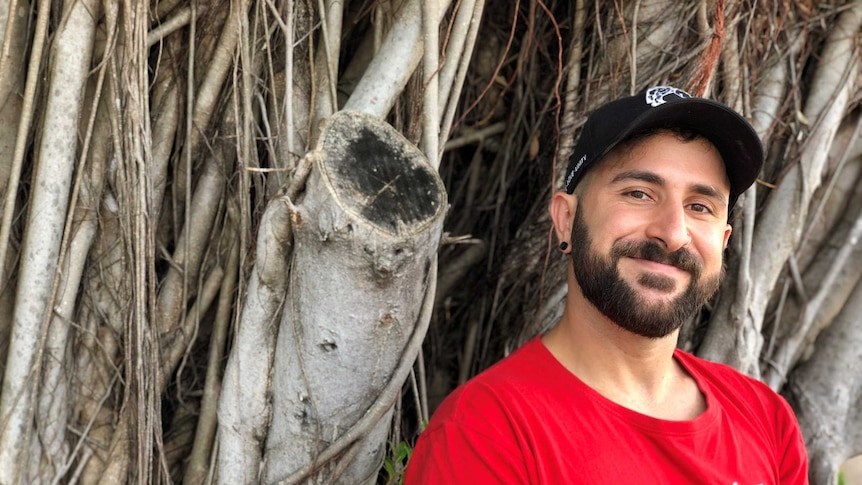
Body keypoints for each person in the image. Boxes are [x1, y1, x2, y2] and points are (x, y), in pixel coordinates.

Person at [404, 86, 809, 484]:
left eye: (699, 207)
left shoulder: (766, 420)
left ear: (722, 241)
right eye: (639, 193)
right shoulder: (486, 433)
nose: (673, 233)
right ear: (566, 220)